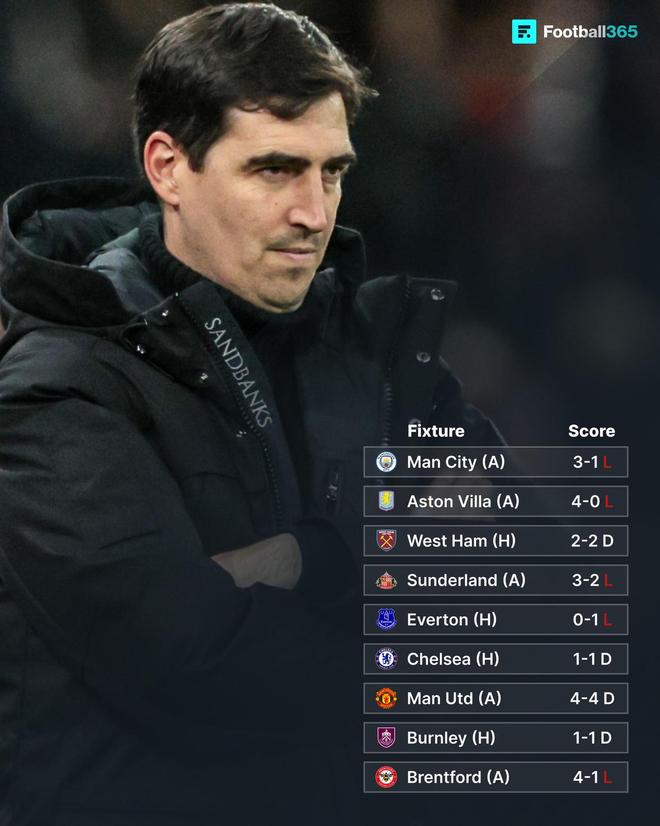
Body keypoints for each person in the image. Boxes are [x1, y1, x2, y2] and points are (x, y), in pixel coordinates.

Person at [0, 4, 501, 824]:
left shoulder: (373, 352)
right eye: (274, 170)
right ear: (168, 167)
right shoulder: (57, 387)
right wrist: (374, 572)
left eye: (331, 172)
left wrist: (300, 559)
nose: (314, 213)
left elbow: (518, 572)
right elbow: (196, 664)